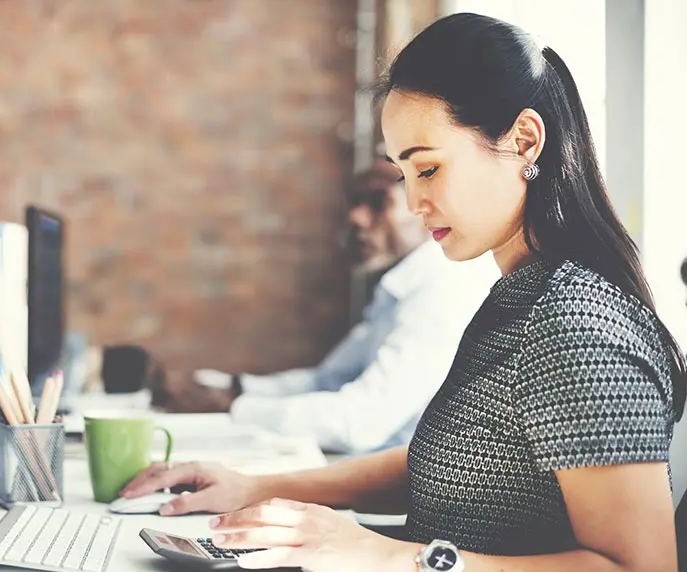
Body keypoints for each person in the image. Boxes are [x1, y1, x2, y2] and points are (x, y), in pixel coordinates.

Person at [120, 12, 686, 572]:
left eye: (429, 169)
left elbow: (641, 567)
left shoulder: (578, 325)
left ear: (523, 141)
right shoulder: (519, 295)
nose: (415, 203)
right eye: (403, 175)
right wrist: (256, 487)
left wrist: (387, 554)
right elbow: (448, 469)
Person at [158, 162, 499, 454]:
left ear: (426, 207)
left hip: (400, 497)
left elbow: (362, 420)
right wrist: (230, 387)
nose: (356, 218)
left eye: (377, 202)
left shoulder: (445, 286)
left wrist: (232, 406)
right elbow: (330, 379)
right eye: (354, 203)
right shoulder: (403, 284)